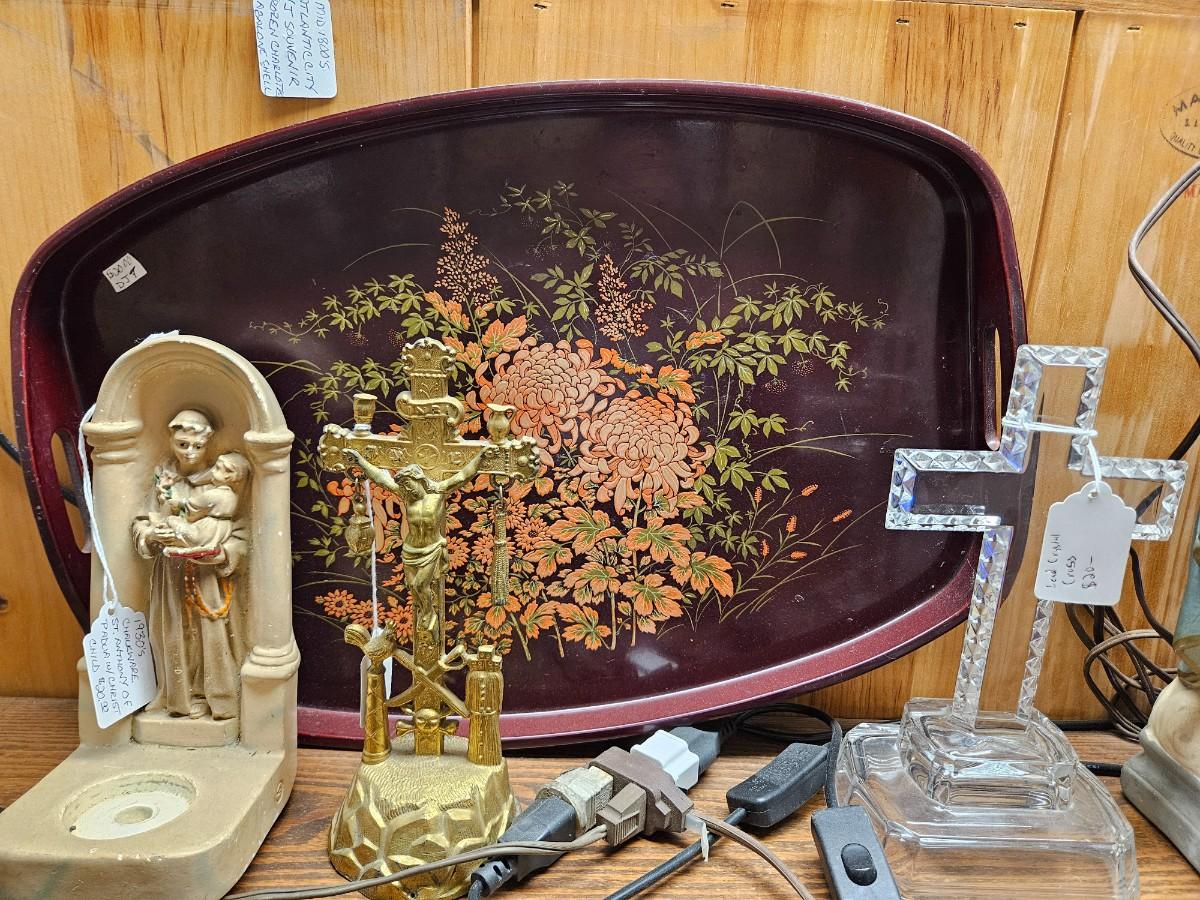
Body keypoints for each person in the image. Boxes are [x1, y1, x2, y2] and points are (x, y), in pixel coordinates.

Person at [132, 410, 248, 721]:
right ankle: (176, 697)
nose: (189, 452)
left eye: (197, 446)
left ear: (208, 444)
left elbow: (241, 534)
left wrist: (222, 553)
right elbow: (142, 521)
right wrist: (151, 535)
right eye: (182, 444)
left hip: (207, 576)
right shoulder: (164, 478)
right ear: (171, 440)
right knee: (173, 632)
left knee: (208, 634)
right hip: (171, 573)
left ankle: (212, 696)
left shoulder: (220, 483)